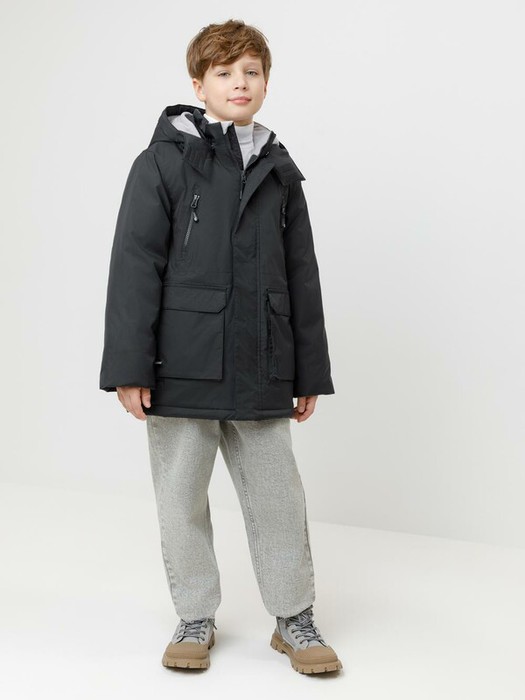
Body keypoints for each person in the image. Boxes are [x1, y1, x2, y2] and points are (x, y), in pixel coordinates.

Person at [99, 18, 341, 675]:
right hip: (179, 364)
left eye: (251, 72)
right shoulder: (162, 163)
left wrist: (308, 372)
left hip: (262, 361)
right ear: (198, 84)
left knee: (278, 499)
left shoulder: (279, 171)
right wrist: (128, 368)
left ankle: (293, 618)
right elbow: (134, 266)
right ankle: (194, 616)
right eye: (225, 72)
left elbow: (302, 276)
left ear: (266, 82)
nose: (240, 83)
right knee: (181, 496)